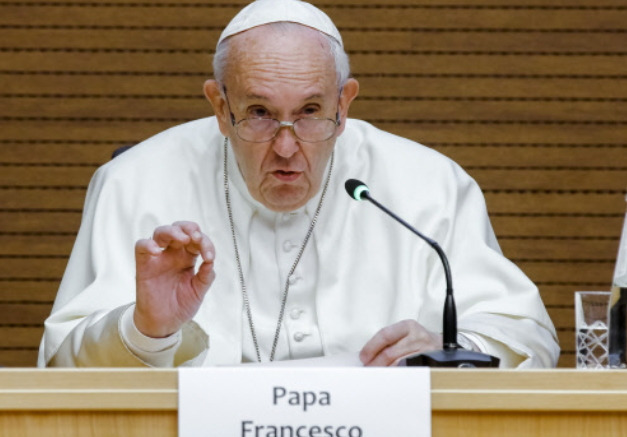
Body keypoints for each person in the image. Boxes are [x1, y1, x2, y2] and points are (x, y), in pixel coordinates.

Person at [38, 0, 559, 368]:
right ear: (220, 106)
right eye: (259, 113)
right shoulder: (132, 183)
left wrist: (448, 351)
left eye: (310, 111)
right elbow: (60, 371)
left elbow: (525, 337)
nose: (286, 147)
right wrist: (146, 331)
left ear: (344, 104)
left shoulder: (429, 183)